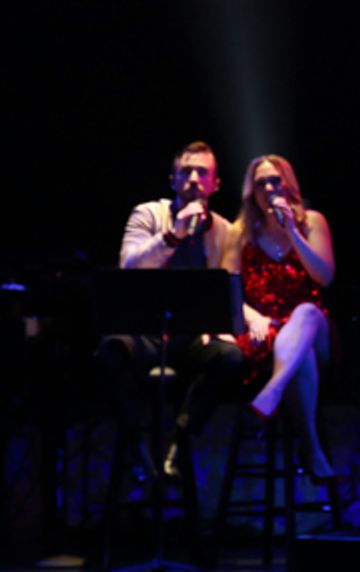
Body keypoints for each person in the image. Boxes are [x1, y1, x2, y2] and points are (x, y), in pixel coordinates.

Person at [97, 140, 247, 480]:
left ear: (215, 184)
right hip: (146, 332)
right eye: (186, 172)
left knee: (231, 358)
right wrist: (174, 234)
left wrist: (222, 327)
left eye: (202, 173)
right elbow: (129, 266)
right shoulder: (148, 213)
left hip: (191, 337)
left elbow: (227, 291)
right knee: (111, 350)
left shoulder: (224, 230)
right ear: (173, 180)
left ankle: (178, 443)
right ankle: (137, 448)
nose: (194, 178)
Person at [221, 154, 337, 481]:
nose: (270, 188)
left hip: (313, 327)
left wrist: (293, 233)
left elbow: (324, 277)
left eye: (276, 180)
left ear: (289, 183)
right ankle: (313, 450)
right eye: (262, 184)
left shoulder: (312, 222)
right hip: (265, 332)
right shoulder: (240, 232)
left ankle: (271, 392)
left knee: (307, 312)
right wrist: (252, 315)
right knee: (303, 359)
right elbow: (228, 290)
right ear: (252, 192)